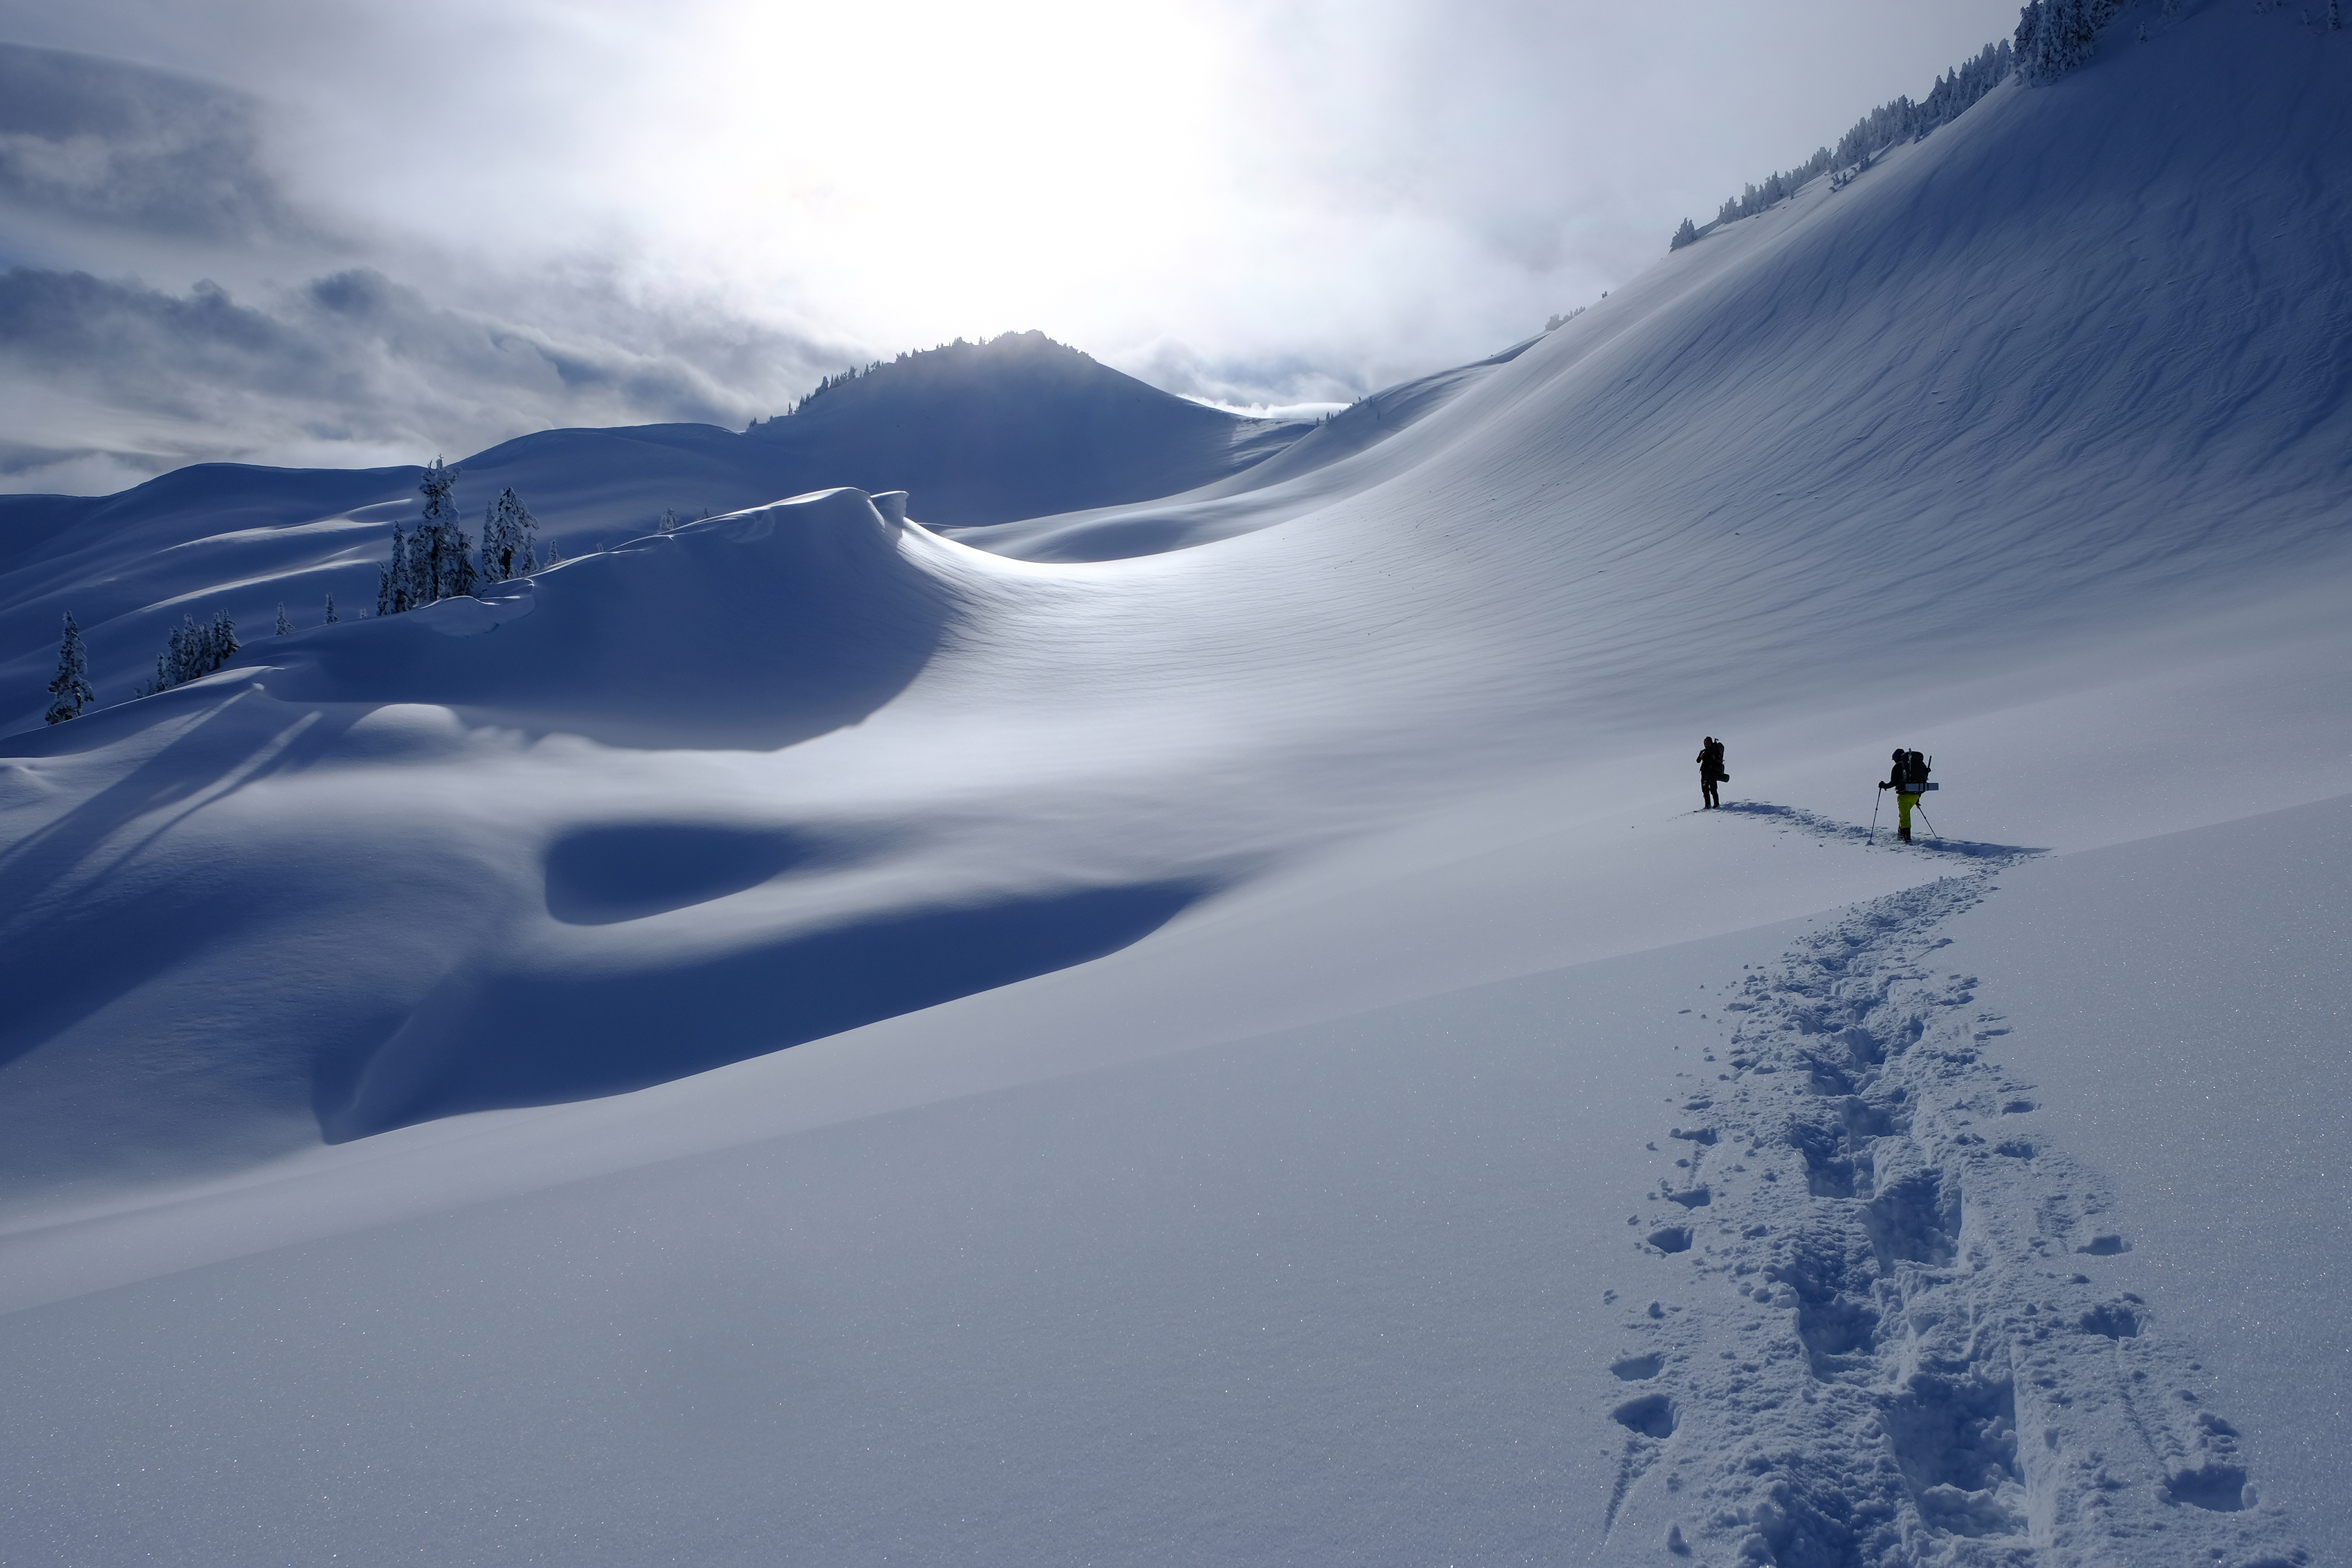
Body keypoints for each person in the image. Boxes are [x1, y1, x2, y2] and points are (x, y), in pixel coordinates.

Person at [1880, 748, 1929, 842]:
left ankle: (1906, 838)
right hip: (1916, 796)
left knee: (1905, 817)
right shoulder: (1914, 766)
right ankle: (1901, 836)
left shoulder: (1898, 767)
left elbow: (1893, 783)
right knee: (1903, 816)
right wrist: (1917, 798)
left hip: (1904, 796)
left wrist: (1883, 786)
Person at [1697, 736, 1727, 809]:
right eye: (1706, 743)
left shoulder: (1715, 751)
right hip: (1704, 773)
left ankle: (1716, 805)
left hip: (1712, 772)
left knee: (1713, 789)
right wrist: (1701, 757)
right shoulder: (1703, 751)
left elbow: (1718, 761)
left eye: (1708, 743)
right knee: (1705, 790)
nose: (1707, 744)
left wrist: (1714, 758)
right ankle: (1707, 805)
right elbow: (1698, 761)